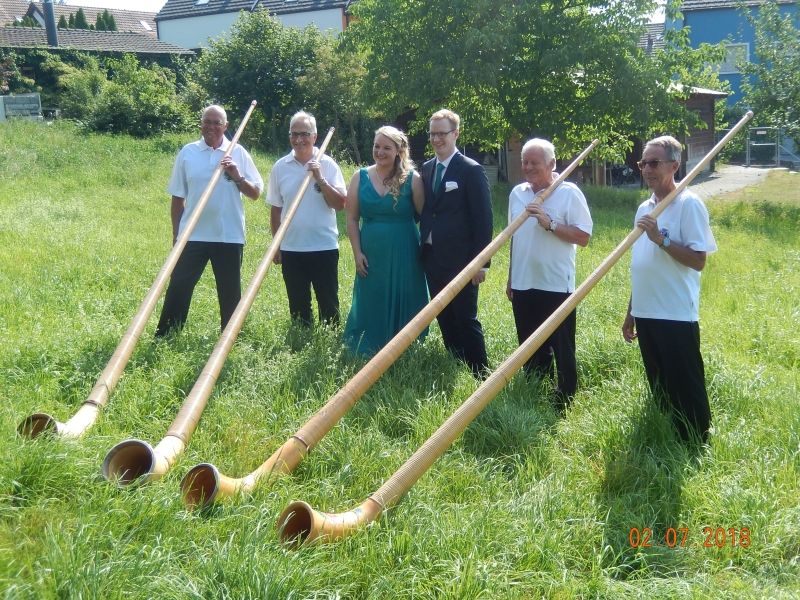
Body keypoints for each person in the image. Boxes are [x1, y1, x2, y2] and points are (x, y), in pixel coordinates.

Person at [622, 135, 717, 443]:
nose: (646, 169)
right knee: (659, 384)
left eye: (653, 162)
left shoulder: (689, 205)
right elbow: (641, 266)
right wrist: (631, 312)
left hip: (675, 313)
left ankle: (697, 440)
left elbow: (699, 260)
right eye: (643, 163)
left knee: (685, 384)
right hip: (647, 310)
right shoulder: (644, 209)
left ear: (674, 165)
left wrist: (661, 240)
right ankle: (667, 436)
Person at [155, 104, 263, 337]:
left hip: (228, 235)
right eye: (207, 121)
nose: (211, 126)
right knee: (179, 286)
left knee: (229, 291)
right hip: (192, 234)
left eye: (217, 122)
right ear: (201, 124)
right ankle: (167, 334)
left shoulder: (239, 153)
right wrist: (177, 234)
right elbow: (177, 198)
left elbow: (255, 193)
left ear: (226, 126)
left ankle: (229, 337)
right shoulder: (188, 152)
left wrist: (237, 176)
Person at [506, 139, 593, 409]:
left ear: (552, 164)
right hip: (523, 282)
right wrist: (511, 277)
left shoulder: (569, 193)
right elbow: (513, 238)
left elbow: (583, 236)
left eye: (535, 163)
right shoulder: (517, 193)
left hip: (556, 284)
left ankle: (564, 399)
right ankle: (534, 391)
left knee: (562, 346)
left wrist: (550, 223)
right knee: (530, 345)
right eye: (525, 162)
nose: (528, 167)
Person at [420, 109, 493, 378]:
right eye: (432, 134)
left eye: (442, 133)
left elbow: (483, 220)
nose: (437, 139)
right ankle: (457, 366)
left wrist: (482, 264)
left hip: (462, 260)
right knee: (444, 316)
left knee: (465, 317)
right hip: (432, 257)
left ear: (456, 134)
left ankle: (481, 374)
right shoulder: (427, 169)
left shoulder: (471, 170)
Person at [343, 126, 428, 355]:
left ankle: (404, 346)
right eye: (376, 146)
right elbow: (351, 218)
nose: (380, 152)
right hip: (371, 250)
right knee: (373, 294)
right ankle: (371, 344)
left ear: (399, 151)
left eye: (386, 148)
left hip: (404, 250)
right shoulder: (359, 177)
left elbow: (426, 219)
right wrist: (357, 252)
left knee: (404, 294)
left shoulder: (413, 179)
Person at [267, 111, 347, 326]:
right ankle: (301, 343)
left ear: (314, 136)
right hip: (292, 248)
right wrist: (276, 245)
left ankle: (329, 345)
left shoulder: (328, 165)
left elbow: (340, 205)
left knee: (329, 305)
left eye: (304, 134)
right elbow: (276, 210)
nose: (299, 139)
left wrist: (320, 179)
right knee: (298, 308)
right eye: (294, 134)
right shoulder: (280, 166)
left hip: (323, 246)